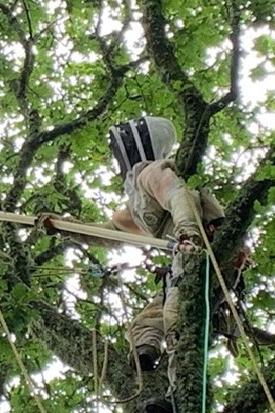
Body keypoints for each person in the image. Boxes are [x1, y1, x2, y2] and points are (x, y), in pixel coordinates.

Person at [37, 116, 225, 413]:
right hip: (183, 261)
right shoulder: (137, 198)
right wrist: (62, 227)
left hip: (201, 252)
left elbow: (178, 195)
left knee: (177, 316)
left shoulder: (151, 173)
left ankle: (178, 397)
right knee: (145, 321)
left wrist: (187, 231)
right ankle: (146, 354)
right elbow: (109, 232)